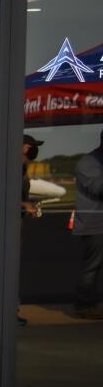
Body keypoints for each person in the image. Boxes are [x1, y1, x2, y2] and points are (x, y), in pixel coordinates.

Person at [75, 129, 103, 319]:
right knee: (92, 267)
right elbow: (100, 188)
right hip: (95, 224)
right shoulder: (88, 162)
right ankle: (84, 306)